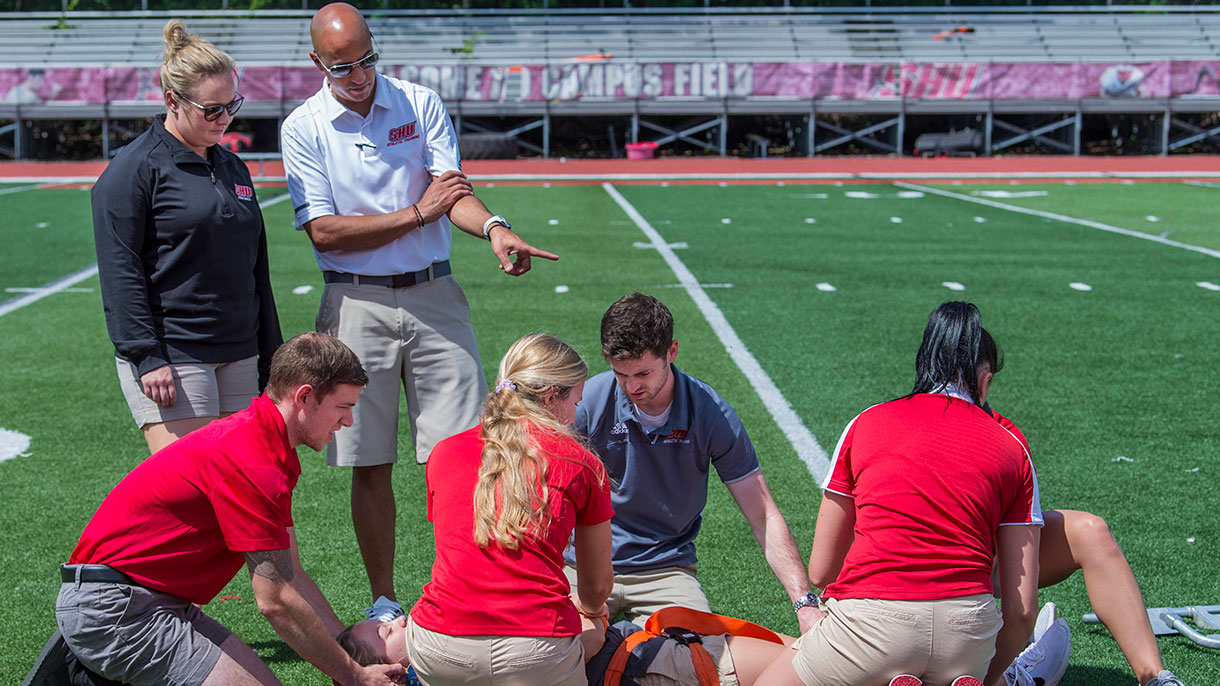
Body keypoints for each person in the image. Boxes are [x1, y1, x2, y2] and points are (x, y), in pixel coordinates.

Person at [279, 1, 559, 622]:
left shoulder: (419, 101)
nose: (358, 75)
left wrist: (492, 227)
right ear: (316, 63)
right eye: (342, 66)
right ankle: (384, 603)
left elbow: (450, 190)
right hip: (355, 299)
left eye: (367, 59)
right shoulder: (303, 126)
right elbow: (324, 232)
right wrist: (417, 215)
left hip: (435, 292)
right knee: (369, 462)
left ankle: (463, 591)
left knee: (465, 453)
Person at [54, 333, 402, 686]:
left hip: (151, 601)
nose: (348, 422)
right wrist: (352, 674)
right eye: (343, 407)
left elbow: (291, 573)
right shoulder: (254, 462)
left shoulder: (269, 446)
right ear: (305, 397)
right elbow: (276, 600)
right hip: (116, 609)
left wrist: (350, 659)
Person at [757, 301, 1042, 686]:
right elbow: (1023, 611)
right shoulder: (1011, 444)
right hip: (967, 637)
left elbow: (822, 569)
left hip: (874, 629)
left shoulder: (867, 422)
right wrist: (989, 676)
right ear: (985, 379)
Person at [569, 292, 821, 633]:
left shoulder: (710, 413)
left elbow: (763, 515)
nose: (631, 386)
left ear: (671, 352)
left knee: (696, 659)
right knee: (561, 650)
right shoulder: (587, 403)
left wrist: (805, 603)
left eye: (642, 373)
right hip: (584, 562)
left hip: (665, 568)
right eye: (620, 374)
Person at [93, 19, 280, 455]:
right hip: (173, 355)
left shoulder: (231, 165)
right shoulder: (134, 171)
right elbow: (120, 270)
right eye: (211, 109)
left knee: (242, 488)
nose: (225, 118)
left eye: (231, 104)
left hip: (239, 350)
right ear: (172, 101)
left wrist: (270, 352)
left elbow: (257, 265)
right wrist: (146, 355)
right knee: (195, 495)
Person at [401, 333, 614, 685]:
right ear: (551, 398)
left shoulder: (444, 452)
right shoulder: (580, 463)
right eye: (576, 401)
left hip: (440, 644)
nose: (576, 415)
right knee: (591, 630)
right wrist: (593, 615)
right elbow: (597, 585)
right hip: (536, 649)